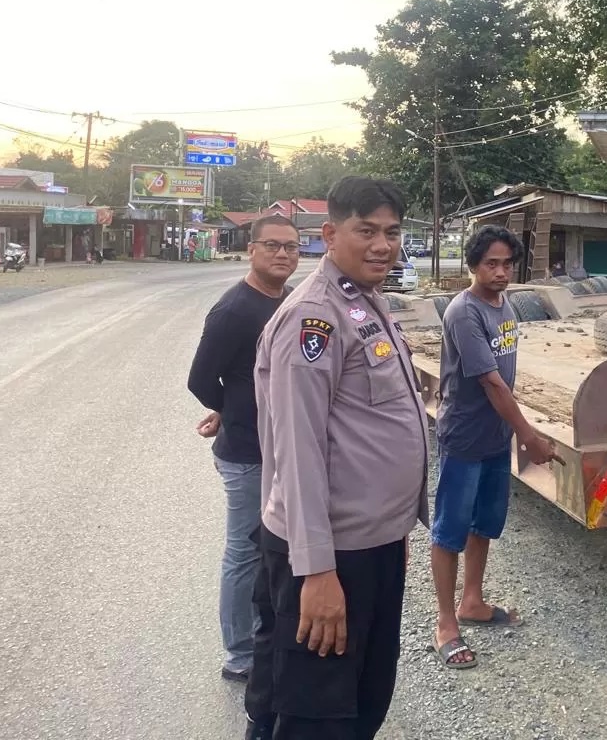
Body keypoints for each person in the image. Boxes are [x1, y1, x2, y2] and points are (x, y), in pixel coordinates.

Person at [246, 176, 429, 740]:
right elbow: (296, 452)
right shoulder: (314, 318)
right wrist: (317, 572)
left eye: (392, 232)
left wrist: (397, 522)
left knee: (365, 694)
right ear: (329, 234)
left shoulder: (364, 299)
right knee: (317, 714)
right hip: (330, 556)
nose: (383, 244)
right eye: (365, 230)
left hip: (371, 543)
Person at [430, 225, 564, 670]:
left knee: (484, 523)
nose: (502, 272)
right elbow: (489, 381)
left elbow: (505, 377)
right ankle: (446, 623)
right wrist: (529, 435)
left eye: (508, 263)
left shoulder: (504, 305)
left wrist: (512, 431)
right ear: (473, 265)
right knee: (450, 529)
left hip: (493, 437)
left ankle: (473, 601)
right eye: (492, 263)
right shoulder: (464, 312)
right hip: (465, 436)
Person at [187, 213, 301, 684]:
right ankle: (238, 654)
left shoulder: (291, 300)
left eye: (292, 247)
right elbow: (199, 379)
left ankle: (267, 634)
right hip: (248, 454)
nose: (282, 254)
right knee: (245, 551)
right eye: (272, 245)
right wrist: (230, 410)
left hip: (284, 449)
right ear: (251, 250)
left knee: (279, 548)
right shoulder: (233, 310)